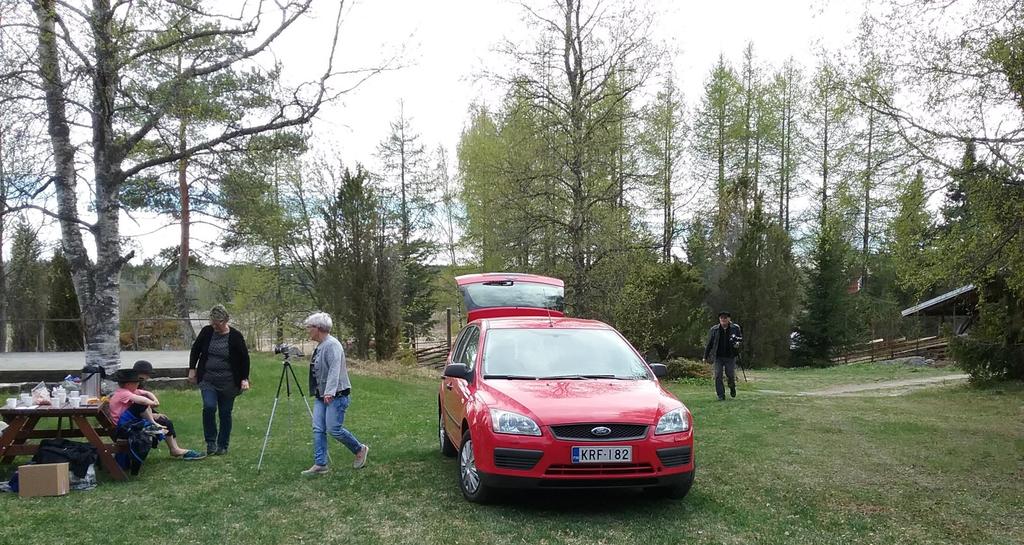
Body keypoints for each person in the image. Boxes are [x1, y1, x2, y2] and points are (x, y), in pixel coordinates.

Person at [301, 311, 369, 476]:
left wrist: (330, 392)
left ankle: (360, 449)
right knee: (318, 428)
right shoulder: (321, 345)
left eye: (309, 327)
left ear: (318, 328)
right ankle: (320, 464)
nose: (308, 330)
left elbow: (334, 370)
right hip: (322, 395)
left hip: (336, 395)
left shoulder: (332, 345)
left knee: (334, 429)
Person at [188, 305, 251, 456]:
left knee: (225, 413)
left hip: (229, 382)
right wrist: (192, 369)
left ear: (226, 321)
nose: (214, 326)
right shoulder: (207, 332)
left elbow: (244, 359)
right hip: (208, 379)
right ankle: (211, 442)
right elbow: (196, 349)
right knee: (209, 407)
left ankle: (222, 445)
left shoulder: (235, 336)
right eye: (212, 322)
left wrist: (244, 379)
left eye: (218, 323)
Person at [108, 369, 204, 461]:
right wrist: (153, 404)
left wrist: (155, 401)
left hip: (131, 421)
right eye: (136, 382)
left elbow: (146, 393)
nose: (138, 384)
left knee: (164, 421)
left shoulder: (130, 391)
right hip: (124, 426)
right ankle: (153, 424)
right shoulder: (123, 393)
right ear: (129, 384)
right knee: (141, 403)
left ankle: (175, 449)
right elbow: (142, 401)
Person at [132, 360, 205, 460]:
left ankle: (175, 448)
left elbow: (143, 404)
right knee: (164, 422)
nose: (147, 377)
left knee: (164, 419)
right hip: (132, 417)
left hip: (138, 412)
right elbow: (134, 406)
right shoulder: (132, 386)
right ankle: (174, 450)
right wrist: (152, 416)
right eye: (146, 375)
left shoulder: (137, 384)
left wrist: (152, 411)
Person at [704, 311, 743, 401]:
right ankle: (721, 395)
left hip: (730, 356)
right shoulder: (714, 329)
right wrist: (705, 356)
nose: (723, 320)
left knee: (730, 375)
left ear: (729, 319)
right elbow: (709, 343)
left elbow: (740, 339)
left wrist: (737, 344)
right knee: (718, 375)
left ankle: (732, 387)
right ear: (719, 319)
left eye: (725, 318)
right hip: (718, 356)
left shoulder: (735, 328)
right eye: (721, 318)